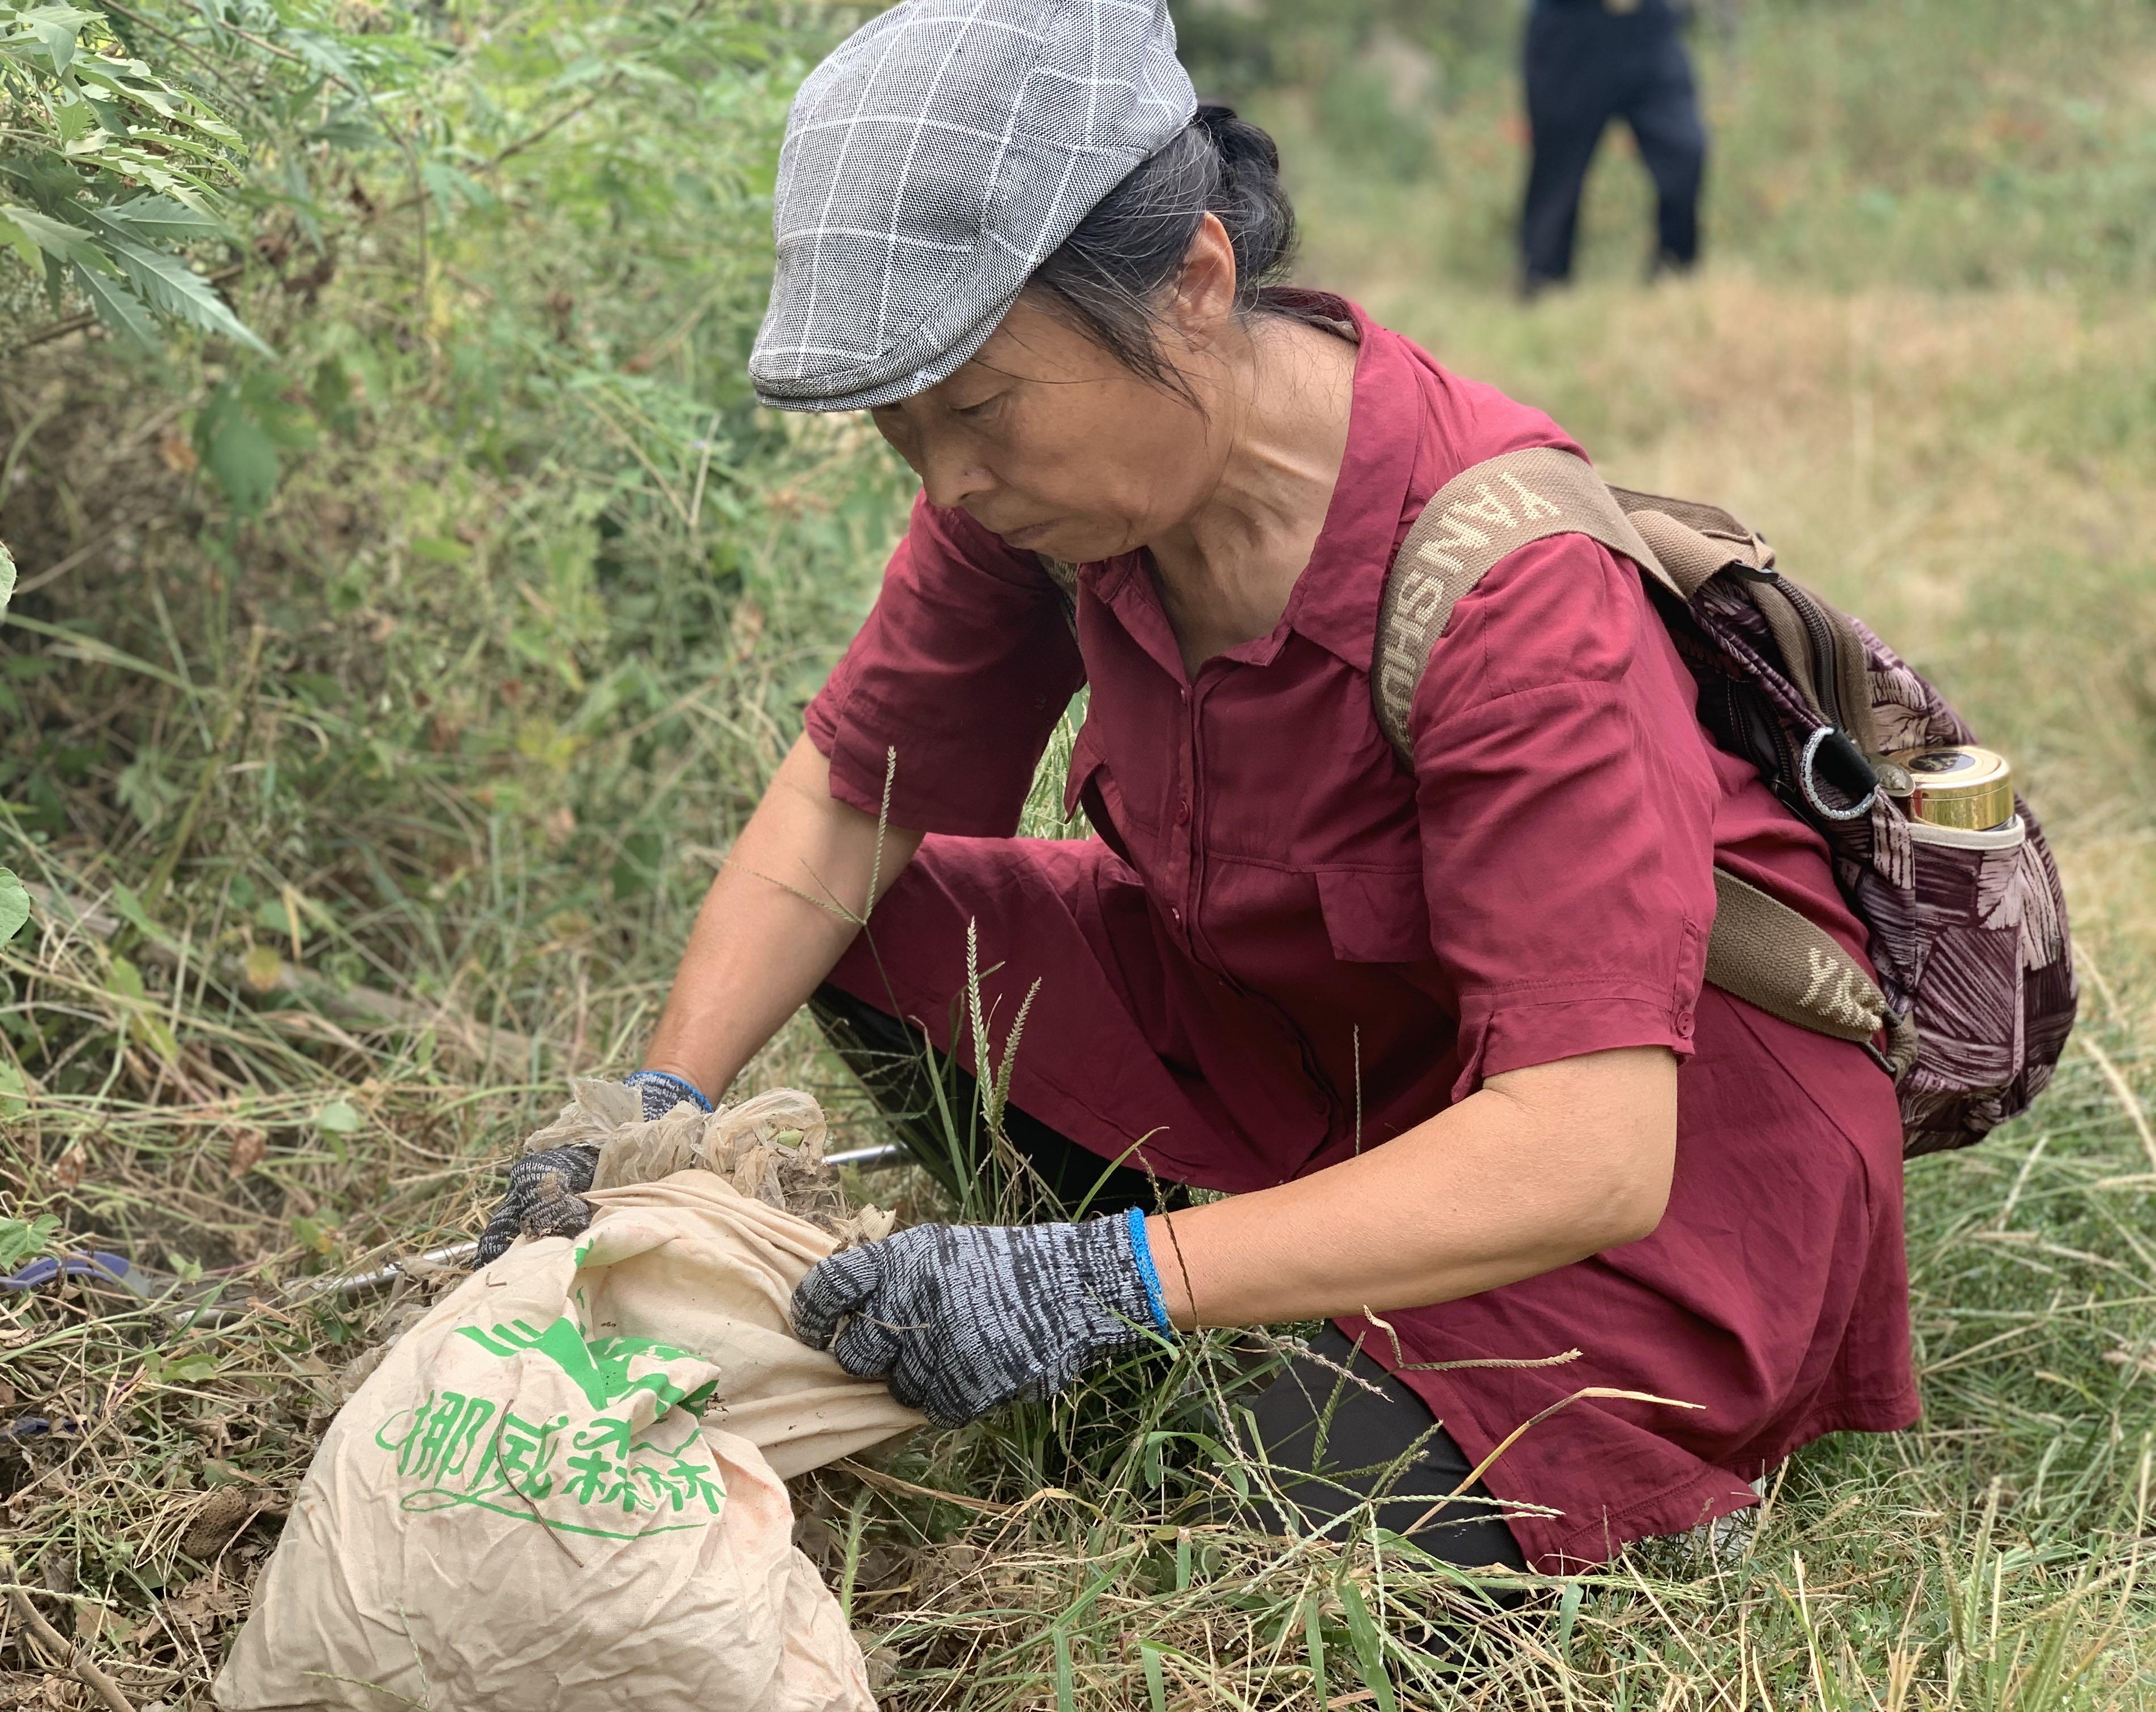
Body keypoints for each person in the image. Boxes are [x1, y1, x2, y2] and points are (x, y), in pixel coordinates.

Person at [479, 0, 1917, 1576]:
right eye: (901, 429)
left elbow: (1592, 1143)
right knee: (889, 928)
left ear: (1197, 285)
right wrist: (651, 1116)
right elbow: (852, 796)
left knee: (1287, 1519)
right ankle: (1201, 1276)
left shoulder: (1516, 591)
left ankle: (1594, 1452)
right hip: (1323, 1040)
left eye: (976, 409)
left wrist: (1104, 1282)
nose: (946, 477)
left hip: (1643, 1161)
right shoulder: (1042, 499)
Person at [1520, 0, 1707, 294]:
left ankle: (1675, 275)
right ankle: (1545, 286)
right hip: (1570, 27)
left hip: (1649, 24)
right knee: (1556, 172)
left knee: (1685, 149)